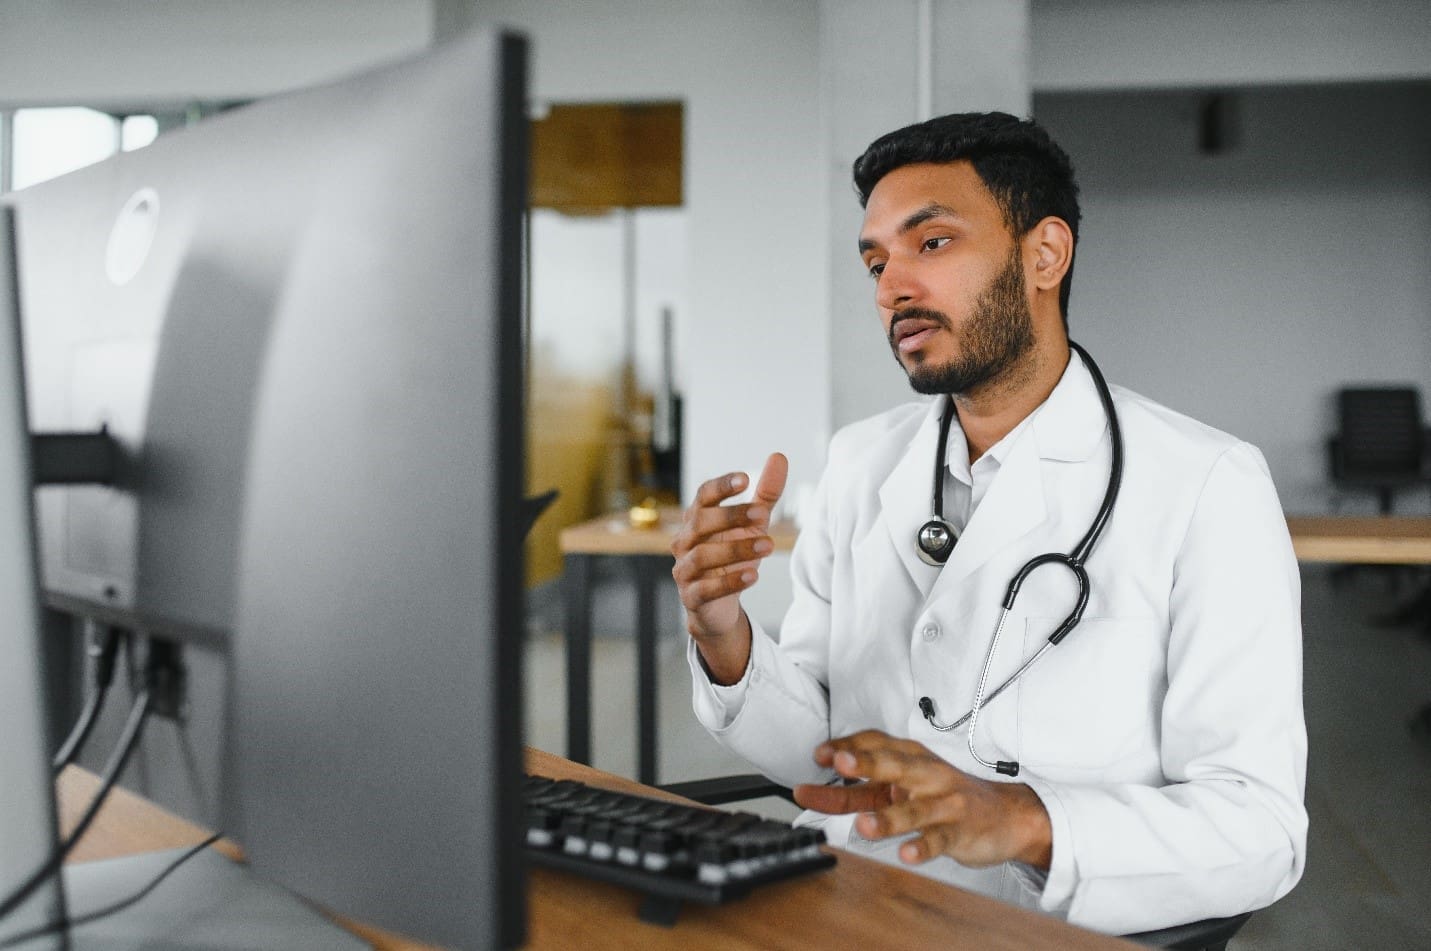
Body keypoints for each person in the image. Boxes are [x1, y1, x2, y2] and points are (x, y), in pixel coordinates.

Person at [670, 112, 1307, 935]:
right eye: (875, 261)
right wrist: (724, 635)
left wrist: (1022, 821)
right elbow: (823, 756)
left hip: (1040, 924)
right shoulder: (862, 462)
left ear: (1044, 254)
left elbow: (1259, 829)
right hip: (847, 907)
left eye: (929, 243)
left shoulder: (1206, 483)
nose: (891, 286)